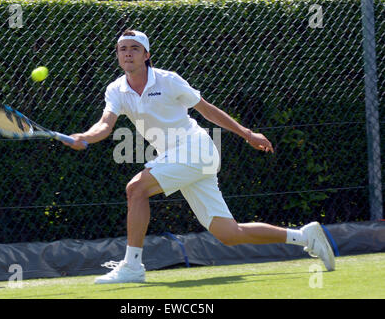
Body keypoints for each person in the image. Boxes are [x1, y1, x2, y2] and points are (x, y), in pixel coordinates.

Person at [63, 29, 335, 284]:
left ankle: (133, 266)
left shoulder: (169, 80)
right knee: (229, 234)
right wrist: (85, 137)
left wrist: (247, 133)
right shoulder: (116, 90)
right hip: (178, 158)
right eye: (122, 49)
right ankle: (304, 236)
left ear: (147, 55)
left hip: (196, 149)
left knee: (136, 189)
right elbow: (105, 125)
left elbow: (206, 110)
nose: (127, 53)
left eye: (135, 48)